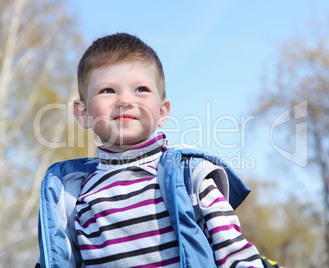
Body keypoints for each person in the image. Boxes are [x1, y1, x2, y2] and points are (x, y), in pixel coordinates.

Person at [36, 33, 266, 268]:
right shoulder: (72, 198)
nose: (125, 100)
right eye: (108, 90)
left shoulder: (187, 178)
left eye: (140, 89)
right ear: (83, 113)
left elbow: (233, 250)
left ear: (162, 111)